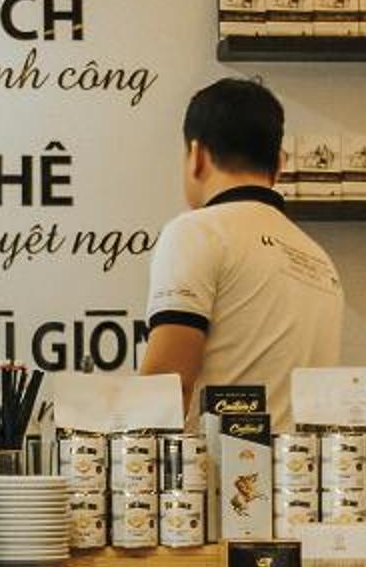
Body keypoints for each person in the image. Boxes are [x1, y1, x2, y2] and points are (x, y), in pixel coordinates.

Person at [137, 77, 342, 427]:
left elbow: (169, 384)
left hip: (216, 462)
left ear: (196, 156)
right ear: (278, 165)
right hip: (300, 462)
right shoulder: (320, 260)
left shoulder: (197, 233)